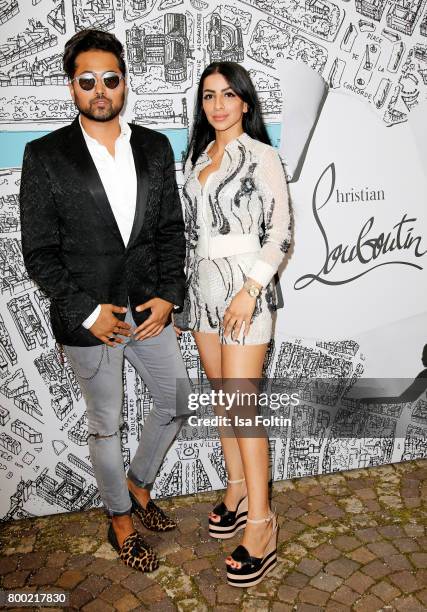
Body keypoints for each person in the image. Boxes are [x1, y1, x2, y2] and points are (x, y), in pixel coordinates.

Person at [19, 29, 190, 573]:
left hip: (148, 310)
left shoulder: (155, 146)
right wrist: (88, 312)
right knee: (105, 425)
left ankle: (137, 487)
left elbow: (169, 230)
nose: (100, 90)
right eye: (87, 80)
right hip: (88, 319)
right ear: (71, 87)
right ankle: (119, 520)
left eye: (110, 79)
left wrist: (169, 296)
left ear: (124, 83)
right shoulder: (45, 155)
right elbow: (40, 253)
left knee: (175, 401)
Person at [175, 61, 292, 587]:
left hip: (245, 292)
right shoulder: (197, 159)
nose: (217, 105)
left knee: (243, 408)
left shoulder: (262, 156)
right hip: (201, 293)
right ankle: (238, 488)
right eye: (208, 96)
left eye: (227, 95)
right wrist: (184, 298)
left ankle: (263, 524)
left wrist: (250, 291)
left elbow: (281, 235)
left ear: (245, 102)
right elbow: (191, 238)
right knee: (224, 403)